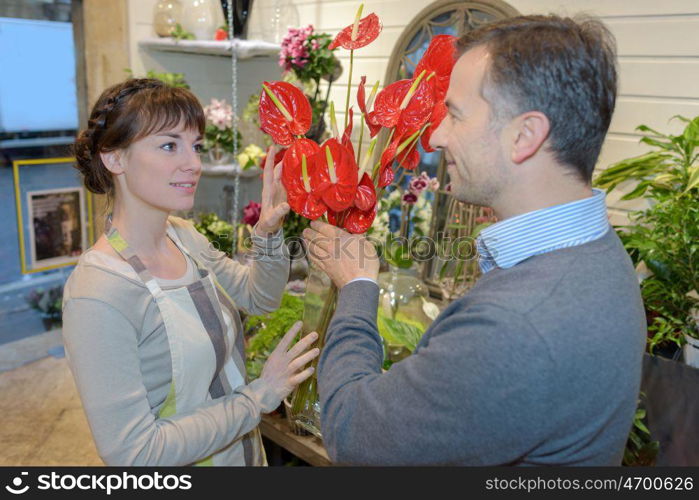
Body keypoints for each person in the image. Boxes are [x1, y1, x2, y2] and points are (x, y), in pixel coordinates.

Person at [302, 15, 647, 465]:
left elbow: (356, 435)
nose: (437, 135)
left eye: (455, 114)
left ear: (524, 136)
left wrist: (356, 287)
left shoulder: (518, 321)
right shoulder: (597, 250)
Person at [63, 78, 319, 466]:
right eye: (169, 145)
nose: (194, 164)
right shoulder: (98, 291)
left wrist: (267, 234)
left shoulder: (185, 238)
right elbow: (134, 453)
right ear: (114, 158)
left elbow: (260, 299)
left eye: (195, 146)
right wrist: (258, 397)